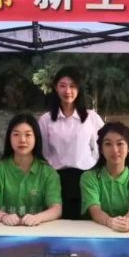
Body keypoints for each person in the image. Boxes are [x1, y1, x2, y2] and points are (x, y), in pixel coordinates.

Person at [38, 66, 104, 219]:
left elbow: (100, 148)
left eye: (73, 86)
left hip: (86, 179)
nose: (67, 91)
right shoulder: (46, 120)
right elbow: (43, 153)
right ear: (56, 88)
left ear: (79, 89)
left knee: (87, 222)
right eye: (63, 85)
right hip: (56, 181)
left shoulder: (91, 117)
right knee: (59, 223)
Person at [0, 113, 62, 226]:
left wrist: (38, 218)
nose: (22, 140)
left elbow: (56, 209)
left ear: (36, 138)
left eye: (28, 135)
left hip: (38, 231)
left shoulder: (48, 173)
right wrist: (3, 217)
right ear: (9, 138)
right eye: (16, 135)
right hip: (4, 231)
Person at [80, 122, 129, 232]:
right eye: (108, 144)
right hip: (97, 235)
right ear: (101, 150)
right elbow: (95, 210)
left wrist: (126, 222)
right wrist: (110, 222)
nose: (115, 150)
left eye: (120, 144)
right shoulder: (89, 178)